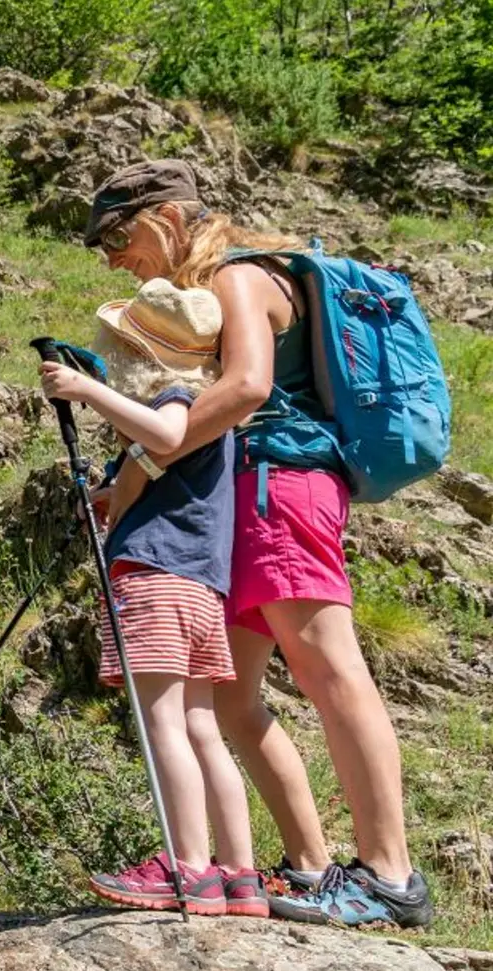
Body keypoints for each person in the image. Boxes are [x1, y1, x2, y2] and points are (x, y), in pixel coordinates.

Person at [84, 159, 433, 928]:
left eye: (115, 235)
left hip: (285, 488)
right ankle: (308, 868)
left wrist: (146, 461)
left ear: (165, 219)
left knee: (330, 670)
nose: (110, 256)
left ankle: (389, 876)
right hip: (249, 499)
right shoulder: (224, 285)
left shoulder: (240, 277)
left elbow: (245, 388)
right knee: (237, 701)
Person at [40, 279, 265, 917]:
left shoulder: (177, 397)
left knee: (164, 722)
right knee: (201, 727)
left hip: (154, 577)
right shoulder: (216, 421)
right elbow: (166, 456)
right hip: (199, 585)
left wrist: (87, 390)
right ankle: (238, 876)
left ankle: (188, 868)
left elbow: (164, 435)